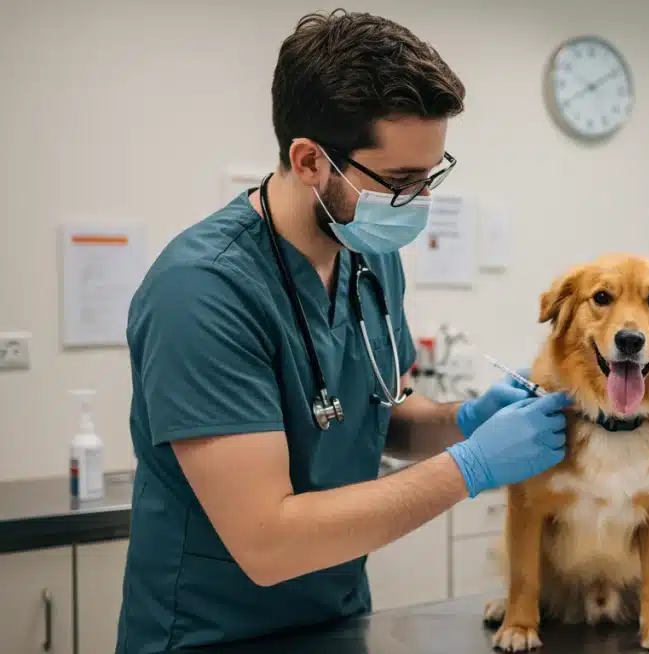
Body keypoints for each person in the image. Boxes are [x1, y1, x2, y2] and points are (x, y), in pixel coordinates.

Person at [115, 10, 571, 653]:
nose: (417, 204)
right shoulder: (201, 292)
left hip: (337, 620)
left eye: (430, 177)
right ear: (309, 161)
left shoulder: (370, 254)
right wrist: (471, 465)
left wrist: (463, 421)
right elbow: (267, 542)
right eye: (400, 183)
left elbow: (375, 415)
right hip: (210, 635)